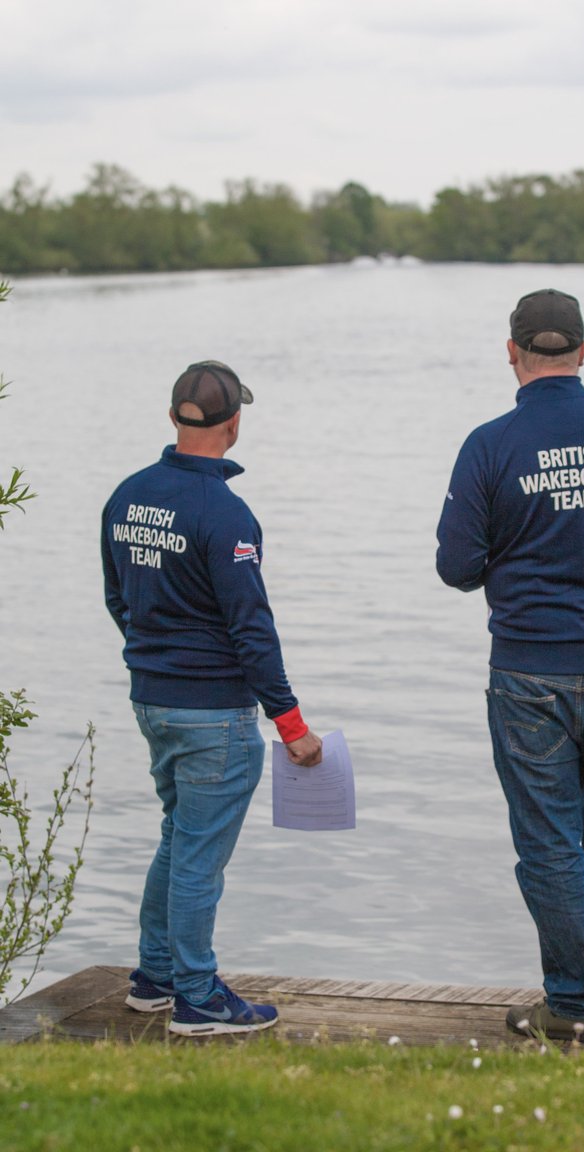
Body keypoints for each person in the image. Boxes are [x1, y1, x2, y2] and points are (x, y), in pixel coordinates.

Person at [436, 290, 584, 1044]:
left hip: (528, 673)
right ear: (583, 349)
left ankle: (577, 1005)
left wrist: (516, 550)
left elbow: (456, 565)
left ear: (512, 353)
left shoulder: (489, 445)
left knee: (550, 842)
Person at [101, 360, 322, 1037]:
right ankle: (196, 997)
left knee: (179, 837)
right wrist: (291, 724)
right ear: (233, 424)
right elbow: (251, 626)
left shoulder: (127, 497)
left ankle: (155, 976)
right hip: (211, 714)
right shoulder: (225, 514)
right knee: (199, 855)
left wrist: (156, 658)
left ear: (174, 417)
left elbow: (120, 599)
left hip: (152, 702)